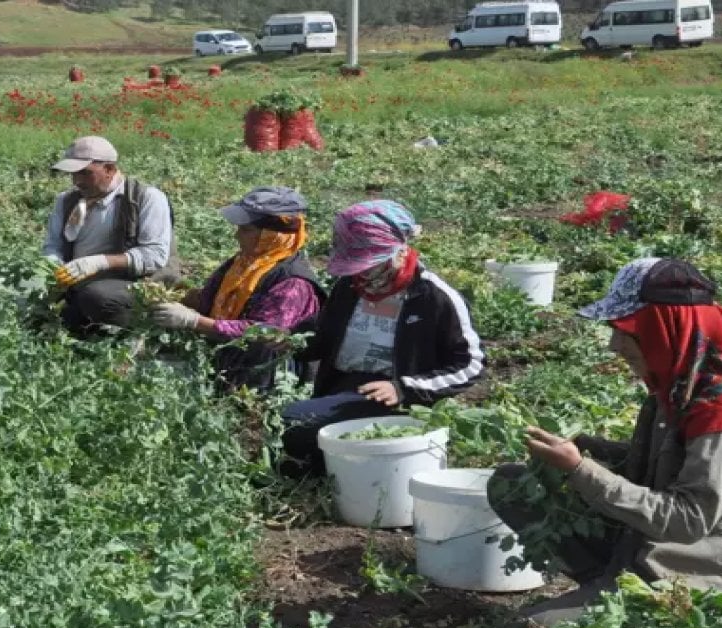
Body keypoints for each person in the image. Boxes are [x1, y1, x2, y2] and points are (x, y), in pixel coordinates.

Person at [488, 258, 722, 628]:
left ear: (664, 328)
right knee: (514, 484)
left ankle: (629, 601)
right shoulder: (679, 385)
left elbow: (688, 520)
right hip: (659, 548)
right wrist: (599, 450)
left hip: (719, 574)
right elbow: (676, 460)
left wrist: (579, 469)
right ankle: (604, 583)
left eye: (626, 330)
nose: (614, 345)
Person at [278, 200, 484, 478]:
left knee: (291, 422)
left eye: (369, 264)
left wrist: (403, 388)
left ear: (398, 251)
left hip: (397, 401)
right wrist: (292, 343)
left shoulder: (433, 296)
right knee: (289, 428)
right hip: (343, 387)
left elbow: (470, 364)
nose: (362, 273)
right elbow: (324, 337)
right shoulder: (348, 288)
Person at [151, 187, 326, 391]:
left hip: (263, 376)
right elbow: (213, 299)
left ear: (272, 235)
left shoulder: (293, 283)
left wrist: (193, 321)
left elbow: (262, 334)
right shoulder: (246, 262)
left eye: (246, 229)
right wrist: (174, 296)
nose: (236, 235)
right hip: (226, 356)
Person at [43, 136, 178, 333]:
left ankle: (139, 330)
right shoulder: (67, 201)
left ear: (110, 169)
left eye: (85, 173)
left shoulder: (147, 198)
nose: (77, 181)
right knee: (35, 295)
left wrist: (99, 262)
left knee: (96, 297)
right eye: (73, 174)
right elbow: (53, 245)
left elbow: (154, 256)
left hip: (135, 283)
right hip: (79, 283)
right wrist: (54, 268)